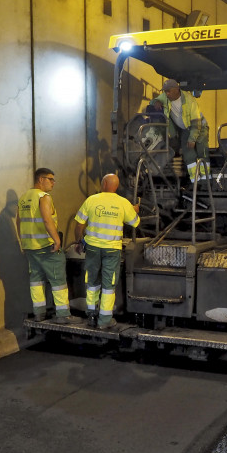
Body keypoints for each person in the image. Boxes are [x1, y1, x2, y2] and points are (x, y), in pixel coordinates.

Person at [73, 174, 140, 329]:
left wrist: (78, 241)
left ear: (103, 184)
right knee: (109, 284)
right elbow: (135, 223)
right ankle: (104, 320)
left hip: (92, 248)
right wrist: (134, 209)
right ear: (116, 187)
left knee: (92, 281)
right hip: (112, 250)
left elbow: (79, 224)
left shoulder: (91, 200)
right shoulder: (123, 202)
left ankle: (91, 315)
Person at [16, 168, 82, 325]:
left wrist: (23, 242)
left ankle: (39, 313)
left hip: (30, 247)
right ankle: (63, 314)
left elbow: (19, 222)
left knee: (36, 280)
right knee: (58, 279)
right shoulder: (43, 197)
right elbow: (47, 220)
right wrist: (56, 240)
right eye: (50, 179)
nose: (53, 182)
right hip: (46, 246)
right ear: (40, 179)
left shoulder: (24, 198)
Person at [150, 78, 210, 183]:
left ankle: (205, 179)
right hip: (186, 129)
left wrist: (192, 139)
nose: (167, 93)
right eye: (165, 91)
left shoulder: (190, 100)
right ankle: (195, 180)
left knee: (202, 152)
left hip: (200, 127)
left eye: (168, 91)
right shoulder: (166, 97)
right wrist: (157, 102)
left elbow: (196, 123)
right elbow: (153, 101)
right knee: (188, 153)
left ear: (176, 90)